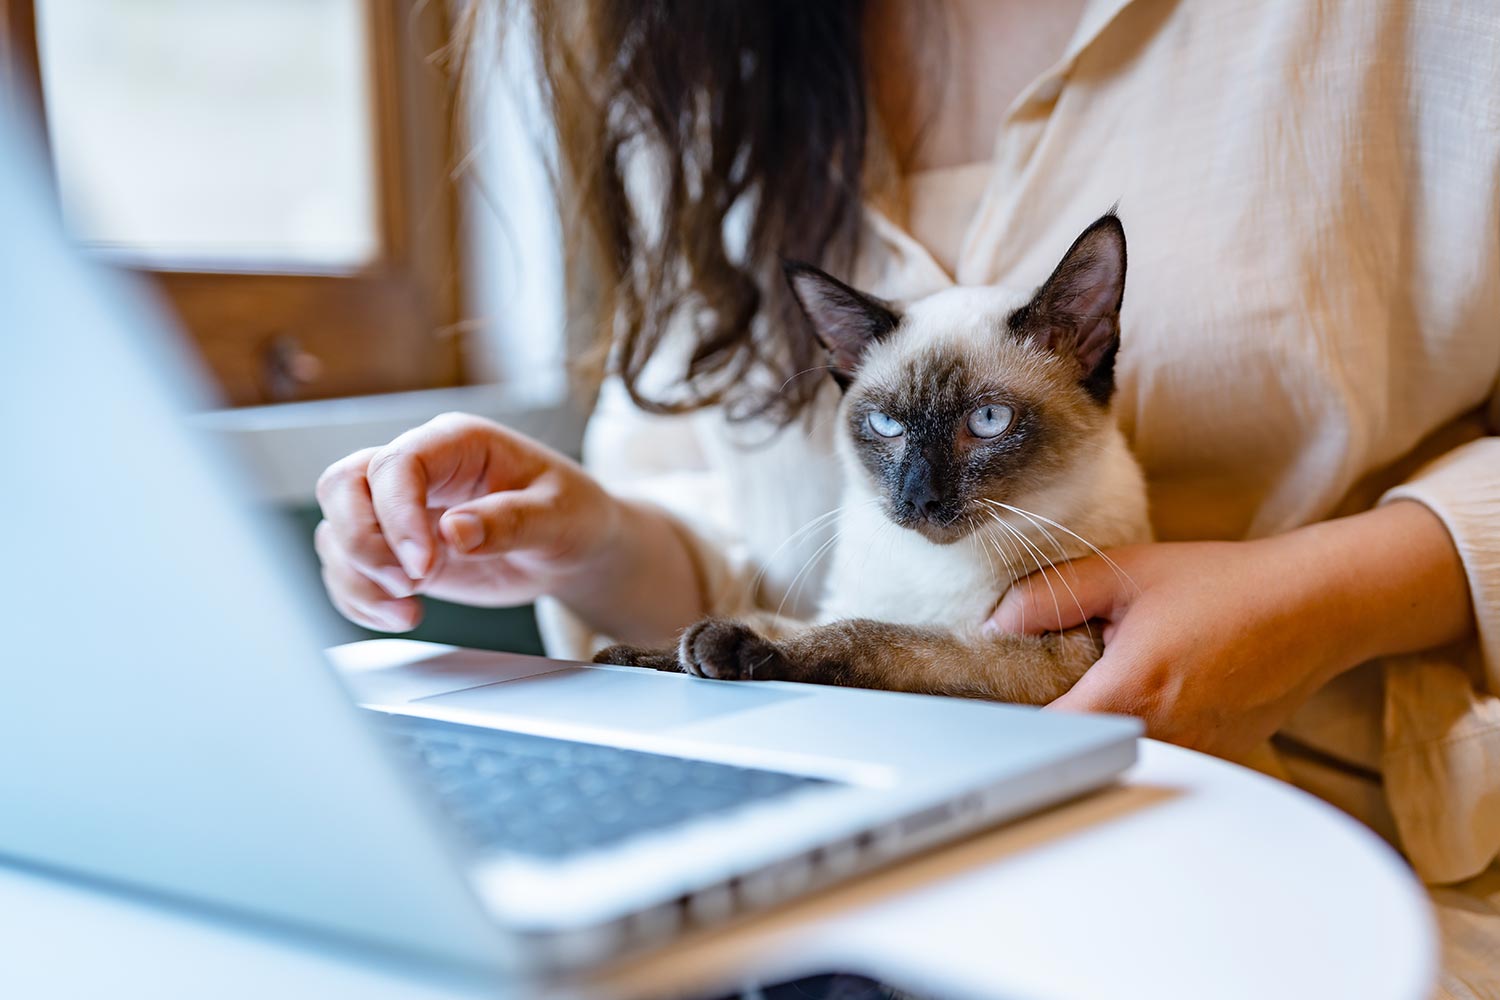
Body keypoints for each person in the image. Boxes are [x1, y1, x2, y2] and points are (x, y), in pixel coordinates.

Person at [313, 2, 1500, 992]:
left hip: (1314, 866)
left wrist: (1337, 592)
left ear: (1086, 342)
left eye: (989, 424)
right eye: (882, 430)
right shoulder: (698, 54)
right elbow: (753, 588)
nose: (923, 490)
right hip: (823, 855)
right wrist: (597, 538)